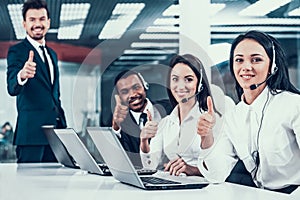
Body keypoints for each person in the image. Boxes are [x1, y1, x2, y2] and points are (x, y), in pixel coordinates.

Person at [197, 30, 300, 193]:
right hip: (260, 194)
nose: (246, 67)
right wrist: (206, 136)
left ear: (272, 66)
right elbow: (217, 174)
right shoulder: (233, 116)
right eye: (239, 60)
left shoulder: (293, 105)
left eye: (256, 60)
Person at [140, 54, 222, 176]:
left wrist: (191, 169)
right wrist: (144, 140)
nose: (180, 86)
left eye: (188, 79)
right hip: (175, 188)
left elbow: (219, 170)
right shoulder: (166, 123)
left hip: (204, 189)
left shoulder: (211, 121)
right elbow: (150, 166)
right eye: (175, 79)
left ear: (199, 84)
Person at [6, 0, 67, 163]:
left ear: (48, 22)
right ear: (24, 24)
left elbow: (54, 94)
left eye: (41, 19)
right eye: (32, 20)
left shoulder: (52, 54)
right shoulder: (17, 51)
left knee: (54, 184)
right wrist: (22, 75)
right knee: (28, 186)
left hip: (56, 135)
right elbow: (12, 87)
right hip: (31, 136)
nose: (37, 24)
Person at [112, 70, 172, 168]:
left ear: (145, 86)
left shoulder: (171, 108)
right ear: (120, 97)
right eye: (125, 92)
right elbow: (118, 161)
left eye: (136, 87)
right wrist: (116, 126)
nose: (133, 95)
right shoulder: (121, 125)